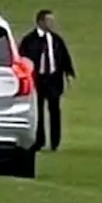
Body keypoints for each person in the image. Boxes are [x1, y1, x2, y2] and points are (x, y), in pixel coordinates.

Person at [18, 9, 76, 151]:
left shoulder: (56, 40)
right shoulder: (29, 40)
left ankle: (55, 141)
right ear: (40, 21)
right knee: (38, 112)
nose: (52, 23)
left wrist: (68, 73)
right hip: (37, 79)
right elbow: (23, 59)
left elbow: (63, 56)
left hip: (53, 79)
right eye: (49, 20)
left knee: (55, 110)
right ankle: (39, 140)